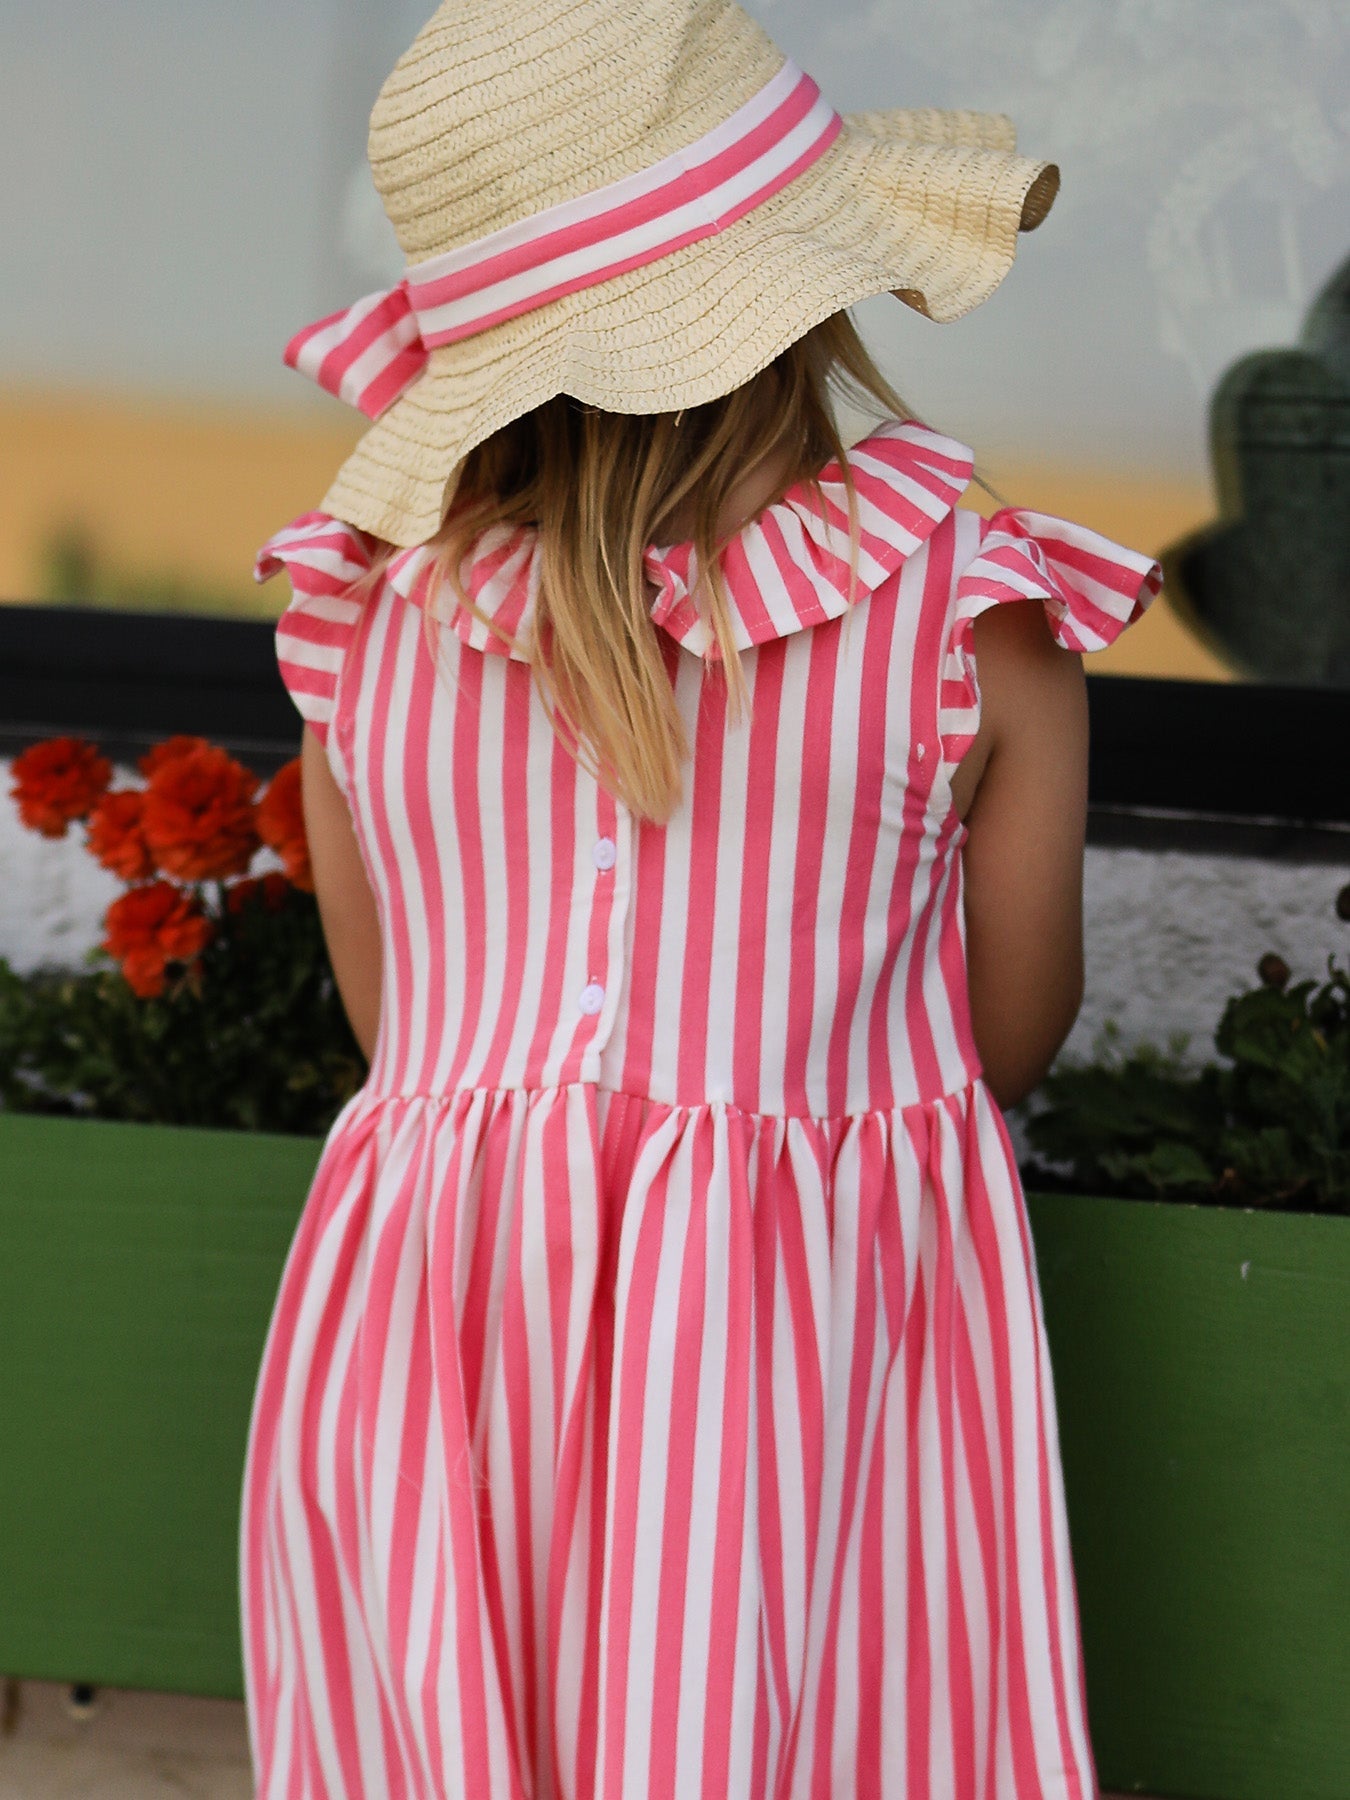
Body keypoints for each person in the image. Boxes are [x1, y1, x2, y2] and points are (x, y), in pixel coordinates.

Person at [241, 1, 1162, 1795]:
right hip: (792, 1343)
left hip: (431, 1339)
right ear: (802, 294)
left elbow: (393, 1022)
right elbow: (1002, 1031)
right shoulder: (967, 617)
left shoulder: (364, 621)